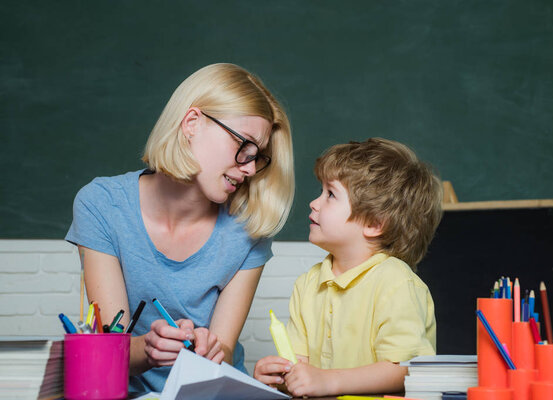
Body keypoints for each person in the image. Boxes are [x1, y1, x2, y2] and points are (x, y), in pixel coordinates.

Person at [65, 63, 294, 392]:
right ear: (192, 123)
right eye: (243, 146)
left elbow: (224, 352)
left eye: (258, 157)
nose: (250, 169)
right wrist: (147, 347)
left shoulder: (249, 228)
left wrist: (213, 350)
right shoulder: (101, 206)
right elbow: (108, 348)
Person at [254, 138, 443, 397]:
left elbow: (405, 370)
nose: (314, 203)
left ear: (375, 223)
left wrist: (329, 381)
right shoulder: (308, 283)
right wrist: (281, 376)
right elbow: (303, 371)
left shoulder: (396, 283)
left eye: (330, 194)